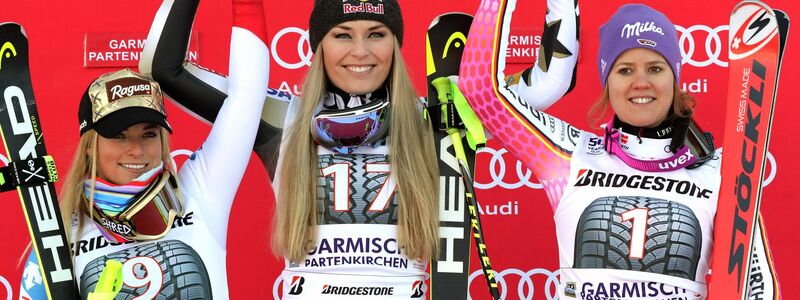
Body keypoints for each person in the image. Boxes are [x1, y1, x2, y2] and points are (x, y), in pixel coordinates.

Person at [459, 0, 784, 299]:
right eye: (624, 69)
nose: (640, 81)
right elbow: (480, 89)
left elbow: (757, 289)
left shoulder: (721, 171)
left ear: (675, 77)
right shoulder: (568, 154)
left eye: (655, 68)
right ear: (607, 80)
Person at [138, 0, 440, 298]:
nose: (360, 51)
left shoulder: (433, 121)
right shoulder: (284, 118)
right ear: (319, 45)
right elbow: (164, 69)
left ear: (395, 44)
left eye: (376, 34)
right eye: (342, 34)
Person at [18, 1, 269, 298]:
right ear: (90, 146)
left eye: (149, 134)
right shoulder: (59, 238)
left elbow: (246, 96)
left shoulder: (199, 193)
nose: (136, 150)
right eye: (119, 136)